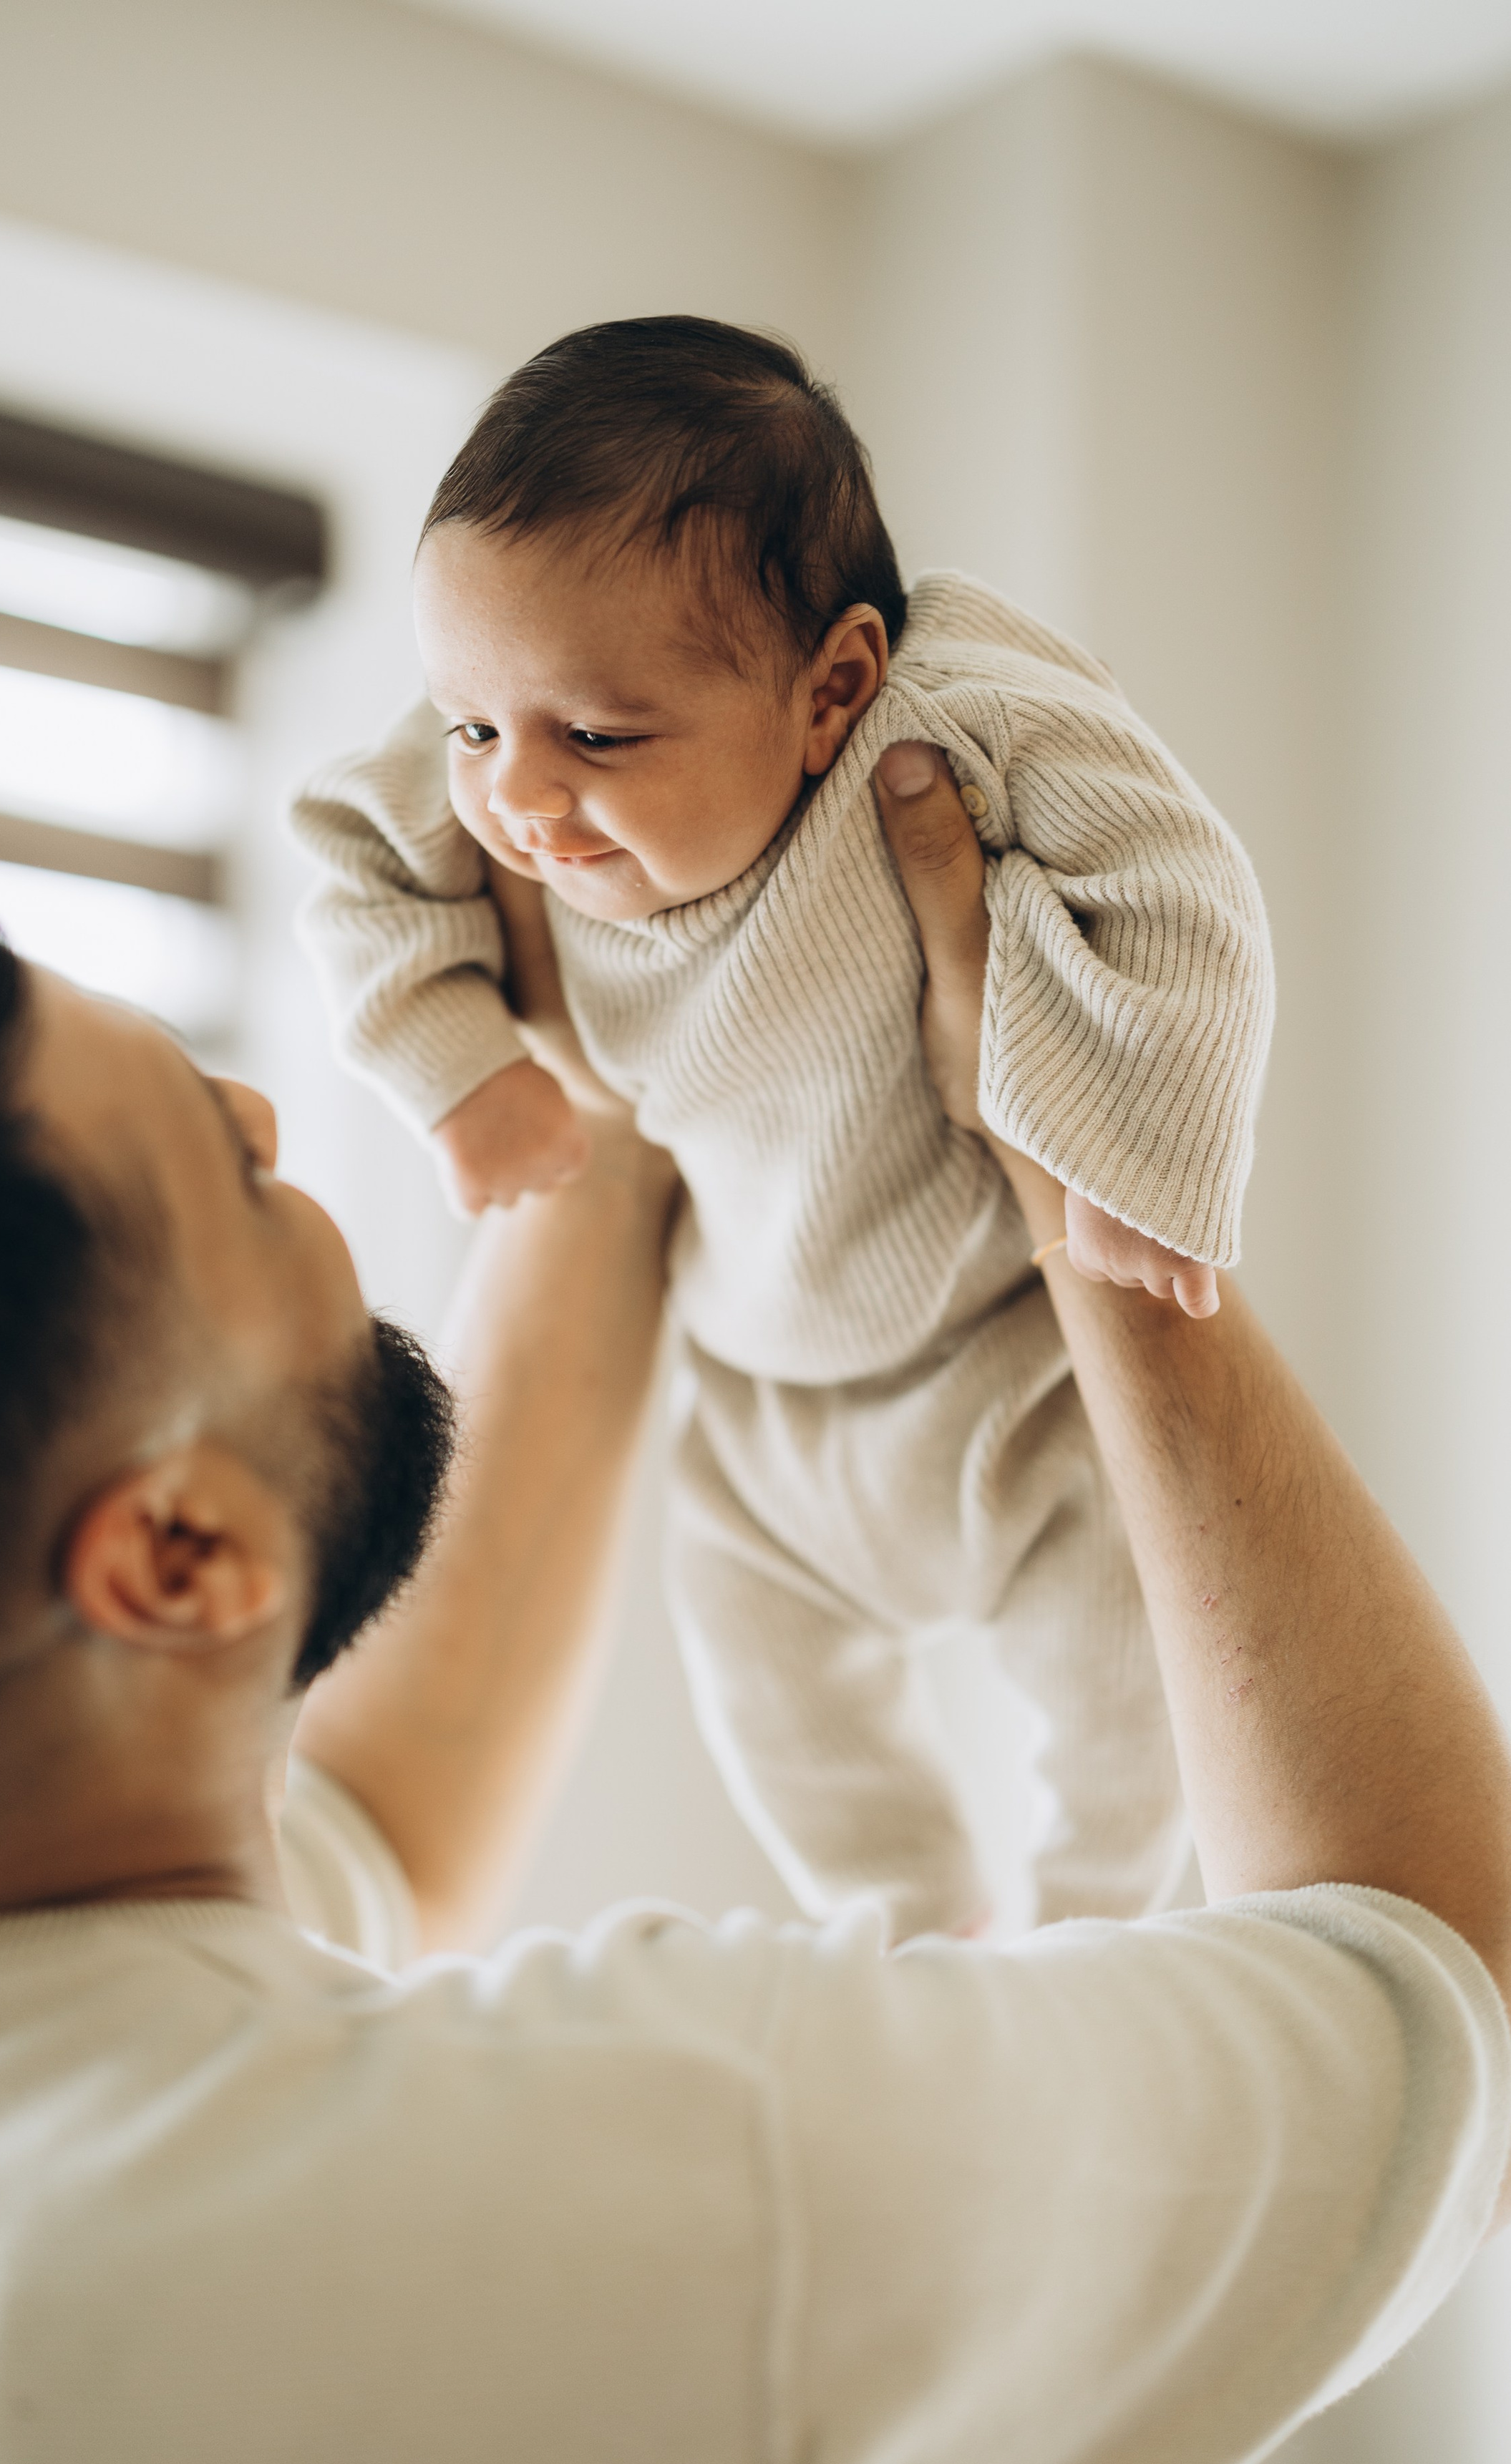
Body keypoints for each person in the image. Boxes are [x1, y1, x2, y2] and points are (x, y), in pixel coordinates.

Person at [0, 783, 1505, 2464]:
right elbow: (1429, 1988)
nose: (276, 1118)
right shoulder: (623, 2193)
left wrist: (644, 1045)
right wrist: (1091, 1172)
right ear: (180, 1558)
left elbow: (383, 1817)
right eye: (222, 1165)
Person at [292, 316, 1272, 1942]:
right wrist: (460, 1067)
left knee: (1125, 1694)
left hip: (1000, 1362)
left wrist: (1134, 1164)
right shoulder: (511, 736)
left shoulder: (942, 720)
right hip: (755, 1399)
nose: (517, 796)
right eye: (472, 727)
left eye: (597, 738)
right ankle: (909, 1944)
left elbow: (1177, 895)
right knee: (779, 1712)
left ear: (830, 688)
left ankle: (1085, 1937)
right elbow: (342, 848)